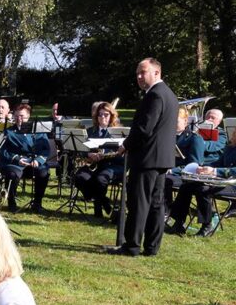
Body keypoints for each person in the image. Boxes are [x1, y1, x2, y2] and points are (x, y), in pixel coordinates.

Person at [111, 58, 180, 257]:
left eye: (143, 72)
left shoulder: (156, 95)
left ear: (156, 72)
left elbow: (144, 128)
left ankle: (132, 246)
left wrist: (125, 145)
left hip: (148, 157)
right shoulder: (169, 94)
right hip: (161, 158)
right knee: (156, 204)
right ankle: (151, 247)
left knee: (139, 202)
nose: (139, 77)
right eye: (138, 74)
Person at [72, 101, 124, 218]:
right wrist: (89, 154)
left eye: (106, 114)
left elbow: (121, 152)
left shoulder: (118, 132)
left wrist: (104, 154)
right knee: (79, 177)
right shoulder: (90, 131)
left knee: (101, 179)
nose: (102, 117)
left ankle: (98, 208)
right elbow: (82, 148)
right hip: (94, 163)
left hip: (112, 164)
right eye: (100, 115)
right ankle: (104, 200)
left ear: (111, 116)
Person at [0, 104, 52, 213]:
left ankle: (37, 203)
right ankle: (11, 202)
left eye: (22, 116)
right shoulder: (9, 132)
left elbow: (46, 149)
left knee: (43, 173)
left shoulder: (39, 131)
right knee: (12, 174)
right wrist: (17, 159)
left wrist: (38, 160)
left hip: (34, 162)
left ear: (29, 117)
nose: (19, 119)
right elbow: (3, 151)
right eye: (17, 116)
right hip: (17, 163)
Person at [165, 163, 232, 238]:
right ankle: (179, 223)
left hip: (232, 185)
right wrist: (203, 167)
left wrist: (215, 170)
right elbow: (220, 162)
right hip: (223, 179)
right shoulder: (230, 150)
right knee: (186, 186)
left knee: (203, 190)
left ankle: (207, 226)